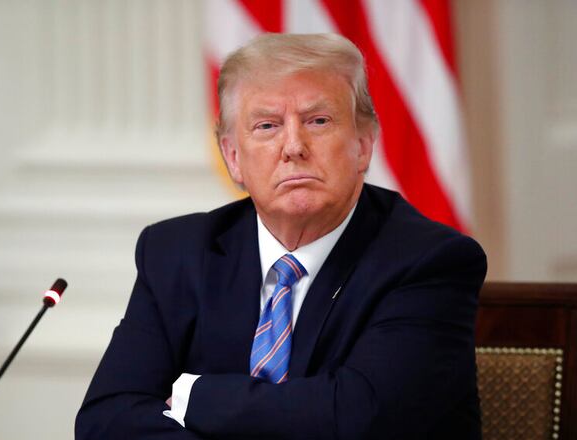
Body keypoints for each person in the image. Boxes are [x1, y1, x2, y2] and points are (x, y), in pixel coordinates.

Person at [76, 33, 486, 439]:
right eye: (267, 125)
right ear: (234, 158)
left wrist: (196, 396)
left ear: (363, 145)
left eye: (318, 121)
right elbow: (105, 421)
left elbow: (359, 420)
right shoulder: (176, 253)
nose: (293, 146)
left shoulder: (429, 261)